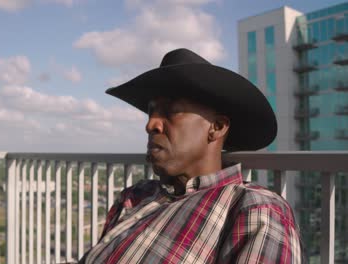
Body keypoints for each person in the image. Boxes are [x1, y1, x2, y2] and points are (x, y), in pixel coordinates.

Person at [80, 48, 304, 263]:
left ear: (216, 127)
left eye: (171, 111)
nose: (151, 125)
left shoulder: (253, 209)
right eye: (151, 113)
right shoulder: (136, 195)